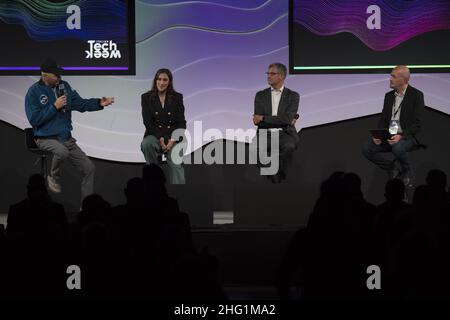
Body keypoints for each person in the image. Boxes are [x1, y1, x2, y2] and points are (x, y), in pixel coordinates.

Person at [24, 58, 114, 202]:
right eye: (56, 75)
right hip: (45, 138)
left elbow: (81, 104)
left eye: (60, 74)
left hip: (66, 138)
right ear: (44, 75)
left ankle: (87, 206)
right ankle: (54, 177)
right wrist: (54, 107)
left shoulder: (65, 86)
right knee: (61, 151)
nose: (59, 77)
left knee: (89, 168)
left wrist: (99, 103)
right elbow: (34, 119)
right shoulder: (33, 92)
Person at [362, 65, 424, 185]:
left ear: (404, 80)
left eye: (393, 76)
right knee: (366, 148)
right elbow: (383, 119)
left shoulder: (416, 95)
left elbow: (418, 124)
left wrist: (401, 136)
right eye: (391, 76)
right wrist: (378, 135)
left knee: (397, 147)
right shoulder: (389, 96)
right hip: (390, 134)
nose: (390, 79)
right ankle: (392, 167)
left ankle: (407, 170)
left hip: (408, 136)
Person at [253, 62, 300, 183]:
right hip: (265, 133)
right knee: (255, 149)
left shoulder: (293, 96)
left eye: (272, 73)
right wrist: (281, 120)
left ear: (282, 76)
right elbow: (257, 122)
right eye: (268, 73)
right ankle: (272, 176)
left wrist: (264, 118)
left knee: (289, 146)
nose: (268, 76)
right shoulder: (260, 95)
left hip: (285, 133)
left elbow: (287, 119)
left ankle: (278, 173)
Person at [140, 68, 187, 184]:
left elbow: (181, 122)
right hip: (155, 135)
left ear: (169, 82)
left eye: (165, 80)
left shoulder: (177, 97)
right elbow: (148, 123)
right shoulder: (146, 97)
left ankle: (178, 194)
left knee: (175, 166)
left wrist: (171, 141)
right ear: (155, 81)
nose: (161, 83)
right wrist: (161, 139)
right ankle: (154, 179)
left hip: (174, 136)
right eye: (159, 79)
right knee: (147, 144)